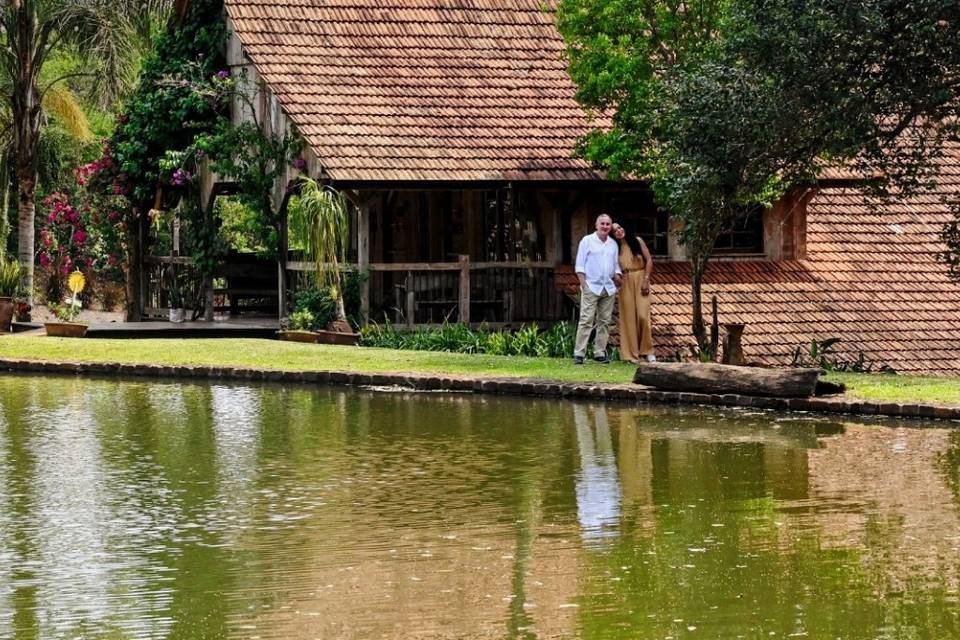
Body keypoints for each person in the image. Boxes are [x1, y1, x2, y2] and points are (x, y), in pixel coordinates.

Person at [573, 214, 621, 364]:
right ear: (596, 225)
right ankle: (579, 354)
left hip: (608, 288)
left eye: (608, 224)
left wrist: (618, 276)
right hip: (591, 286)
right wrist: (583, 285)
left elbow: (615, 265)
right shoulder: (587, 241)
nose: (605, 226)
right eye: (602, 224)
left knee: (605, 321)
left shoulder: (613, 244)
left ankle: (599, 353)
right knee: (586, 320)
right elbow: (580, 265)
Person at [612, 222, 655, 363]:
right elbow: (613, 267)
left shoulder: (637, 241)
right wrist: (616, 276)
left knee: (643, 316)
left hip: (641, 276)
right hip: (625, 281)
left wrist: (646, 280)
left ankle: (647, 351)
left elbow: (649, 260)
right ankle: (631, 355)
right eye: (615, 231)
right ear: (613, 235)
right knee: (628, 318)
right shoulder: (615, 249)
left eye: (619, 227)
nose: (618, 231)